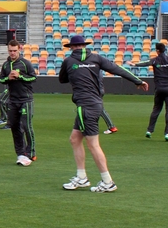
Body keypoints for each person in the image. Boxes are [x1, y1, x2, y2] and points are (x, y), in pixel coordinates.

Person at [59, 35, 148, 193]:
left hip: (85, 106)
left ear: (71, 47)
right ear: (84, 45)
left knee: (93, 145)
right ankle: (82, 177)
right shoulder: (97, 58)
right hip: (96, 103)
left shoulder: (68, 61)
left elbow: (62, 80)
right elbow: (118, 69)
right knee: (74, 139)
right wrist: (138, 81)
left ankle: (107, 181)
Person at [127, 42, 168, 141]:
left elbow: (145, 63)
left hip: (159, 88)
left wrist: (134, 64)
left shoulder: (155, 60)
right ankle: (167, 133)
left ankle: (149, 130)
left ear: (157, 51)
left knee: (156, 109)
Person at [0, 39, 37, 166]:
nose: (12, 53)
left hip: (26, 99)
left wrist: (20, 77)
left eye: (14, 51)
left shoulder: (25, 63)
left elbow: (33, 78)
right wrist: (8, 78)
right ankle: (20, 153)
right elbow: (2, 80)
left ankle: (30, 152)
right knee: (14, 127)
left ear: (19, 49)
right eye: (10, 51)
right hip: (12, 100)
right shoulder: (5, 65)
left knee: (26, 126)